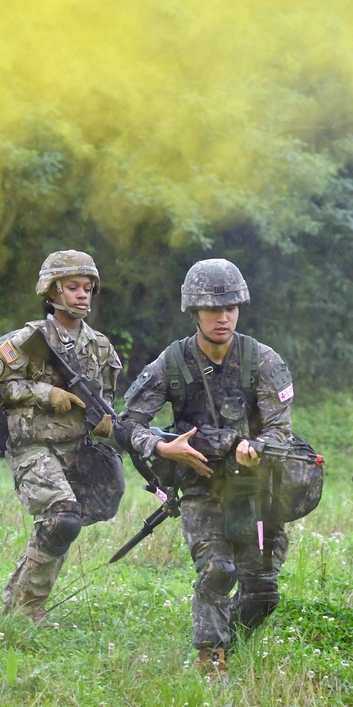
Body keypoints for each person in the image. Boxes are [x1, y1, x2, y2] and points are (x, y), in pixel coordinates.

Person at [119, 259, 298, 677]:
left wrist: (256, 447)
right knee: (219, 570)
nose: (222, 317)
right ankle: (209, 658)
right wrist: (164, 448)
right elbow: (128, 422)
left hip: (254, 491)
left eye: (231, 308)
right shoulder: (173, 361)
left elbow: (281, 432)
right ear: (194, 312)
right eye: (212, 309)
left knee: (263, 593)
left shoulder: (263, 360)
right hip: (200, 486)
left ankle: (228, 640)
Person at [0, 250, 123, 624]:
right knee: (62, 518)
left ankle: (18, 602)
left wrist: (106, 423)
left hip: (78, 448)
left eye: (87, 288)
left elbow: (102, 400)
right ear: (51, 290)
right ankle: (27, 611)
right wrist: (45, 393)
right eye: (72, 287)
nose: (82, 295)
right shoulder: (28, 340)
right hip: (32, 445)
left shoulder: (101, 347)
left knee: (64, 522)